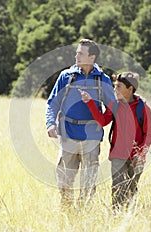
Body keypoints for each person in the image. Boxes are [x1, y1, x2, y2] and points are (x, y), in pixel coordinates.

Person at [46, 39, 116, 207]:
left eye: (80, 53)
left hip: (91, 137)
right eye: (77, 52)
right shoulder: (66, 76)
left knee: (89, 181)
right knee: (63, 178)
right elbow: (53, 103)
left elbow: (113, 107)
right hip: (68, 134)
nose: (76, 55)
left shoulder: (102, 80)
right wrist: (50, 123)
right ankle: (67, 209)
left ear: (92, 57)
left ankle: (82, 212)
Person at [79, 71, 151, 211]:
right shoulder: (114, 104)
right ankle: (116, 217)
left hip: (137, 157)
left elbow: (149, 135)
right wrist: (90, 102)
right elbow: (102, 121)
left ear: (130, 89)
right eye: (115, 86)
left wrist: (141, 154)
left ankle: (130, 217)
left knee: (131, 191)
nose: (115, 89)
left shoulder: (142, 107)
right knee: (117, 189)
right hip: (118, 155)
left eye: (119, 86)